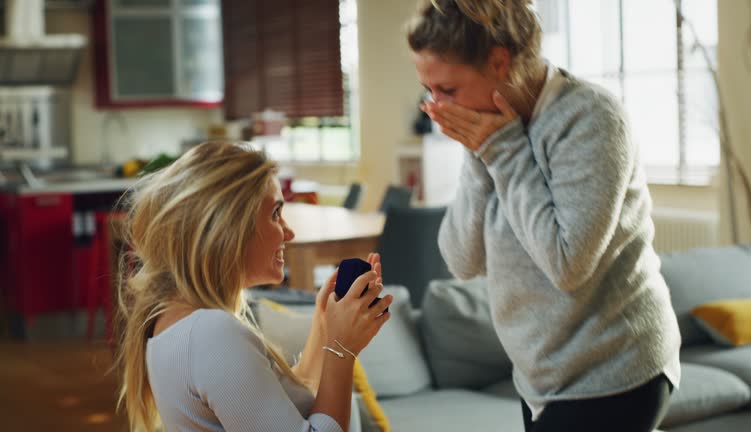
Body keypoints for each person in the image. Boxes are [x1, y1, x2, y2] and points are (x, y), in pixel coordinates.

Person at [407, 1, 681, 431]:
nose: (437, 106)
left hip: (616, 370)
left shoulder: (590, 119)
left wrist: (501, 151)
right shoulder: (493, 129)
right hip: (540, 378)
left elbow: (567, 265)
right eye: (429, 91)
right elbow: (462, 261)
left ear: (499, 62)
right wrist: (482, 157)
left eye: (448, 90)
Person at [113, 141, 392, 432]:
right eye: (275, 214)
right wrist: (341, 349)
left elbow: (276, 411)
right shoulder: (211, 335)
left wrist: (324, 326)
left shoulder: (180, 322)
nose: (289, 232)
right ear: (229, 225)